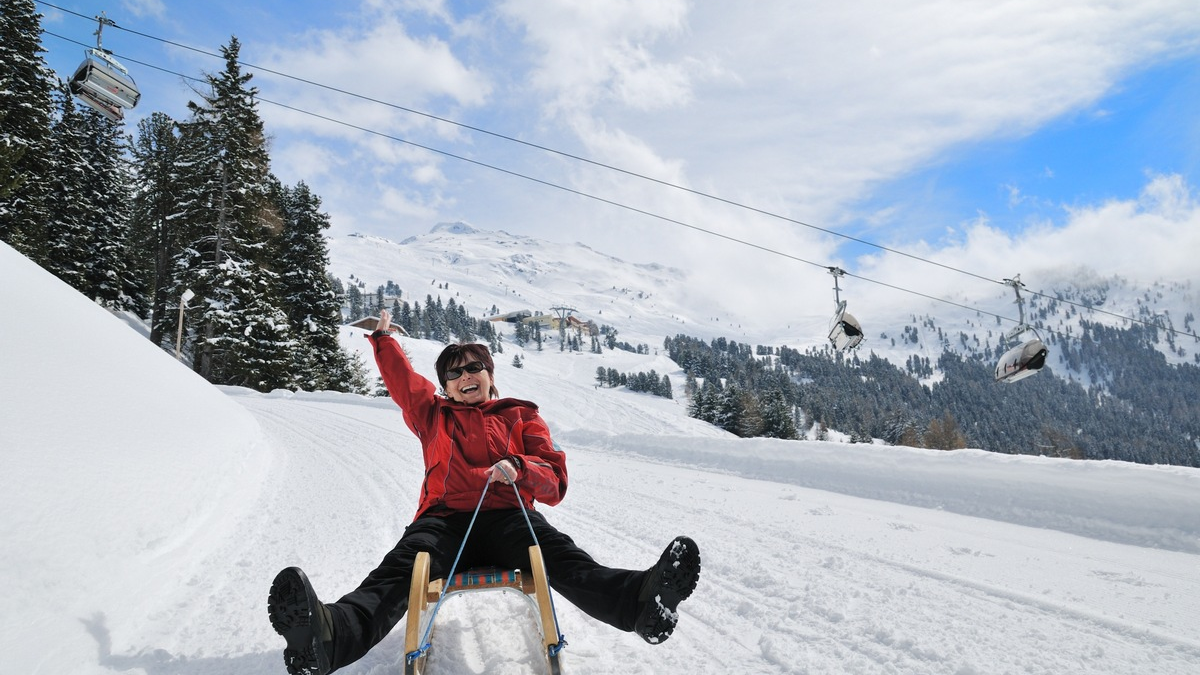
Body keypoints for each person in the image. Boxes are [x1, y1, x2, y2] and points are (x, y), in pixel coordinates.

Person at [268, 309, 701, 675]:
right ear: (445, 387)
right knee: (400, 571)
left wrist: (520, 467)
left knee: (562, 558)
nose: (465, 376)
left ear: (490, 375)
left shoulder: (520, 416)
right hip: (442, 522)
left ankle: (640, 602)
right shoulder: (432, 415)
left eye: (474, 367)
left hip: (509, 518)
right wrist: (382, 339)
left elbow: (554, 481)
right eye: (453, 374)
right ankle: (330, 636)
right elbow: (404, 382)